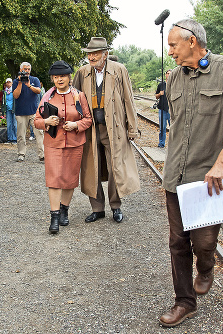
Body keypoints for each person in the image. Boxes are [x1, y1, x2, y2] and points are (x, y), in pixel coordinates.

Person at [160, 19, 223, 327]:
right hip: (177, 175)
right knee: (177, 241)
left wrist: (222, 164)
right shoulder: (174, 78)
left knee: (204, 242)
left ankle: (207, 265)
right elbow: (177, 122)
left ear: (193, 42)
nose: (169, 51)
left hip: (211, 176)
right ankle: (185, 302)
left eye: (173, 45)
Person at [72, 37, 140, 223]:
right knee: (91, 168)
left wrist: (132, 129)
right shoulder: (82, 72)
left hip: (114, 129)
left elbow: (128, 99)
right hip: (91, 129)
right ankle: (97, 209)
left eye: (95, 54)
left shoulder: (119, 70)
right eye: (89, 54)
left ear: (105, 54)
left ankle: (115, 207)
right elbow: (74, 99)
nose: (91, 57)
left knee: (115, 168)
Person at [34, 61, 92, 233]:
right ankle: (54, 217)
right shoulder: (47, 98)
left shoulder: (78, 96)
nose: (60, 80)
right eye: (56, 77)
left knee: (69, 180)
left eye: (63, 76)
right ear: (52, 78)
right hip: (53, 144)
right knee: (54, 180)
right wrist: (46, 121)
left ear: (69, 77)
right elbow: (36, 121)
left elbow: (88, 119)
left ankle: (64, 210)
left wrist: (76, 125)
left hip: (75, 144)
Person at [12, 62, 44, 161]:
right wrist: (20, 83)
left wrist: (29, 85)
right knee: (21, 135)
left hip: (34, 112)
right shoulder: (15, 81)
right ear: (21, 69)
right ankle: (21, 154)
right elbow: (15, 95)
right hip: (21, 113)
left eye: (29, 69)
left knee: (39, 133)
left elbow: (39, 91)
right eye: (25, 69)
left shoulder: (35, 79)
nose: (27, 71)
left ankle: (42, 155)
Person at [0, 78, 17, 143]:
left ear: (12, 83)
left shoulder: (14, 91)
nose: (8, 83)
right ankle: (9, 139)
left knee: (15, 124)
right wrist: (3, 111)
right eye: (7, 82)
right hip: (7, 110)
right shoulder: (4, 92)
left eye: (9, 82)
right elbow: (3, 102)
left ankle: (15, 139)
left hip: (14, 110)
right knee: (9, 124)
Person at [155, 70, 171, 147]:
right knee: (162, 128)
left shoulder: (175, 84)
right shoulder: (161, 85)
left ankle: (173, 145)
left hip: (171, 110)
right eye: (167, 73)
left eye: (170, 74)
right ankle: (161, 143)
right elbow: (156, 96)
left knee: (173, 128)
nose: (169, 75)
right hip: (162, 109)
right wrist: (160, 94)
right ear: (165, 75)